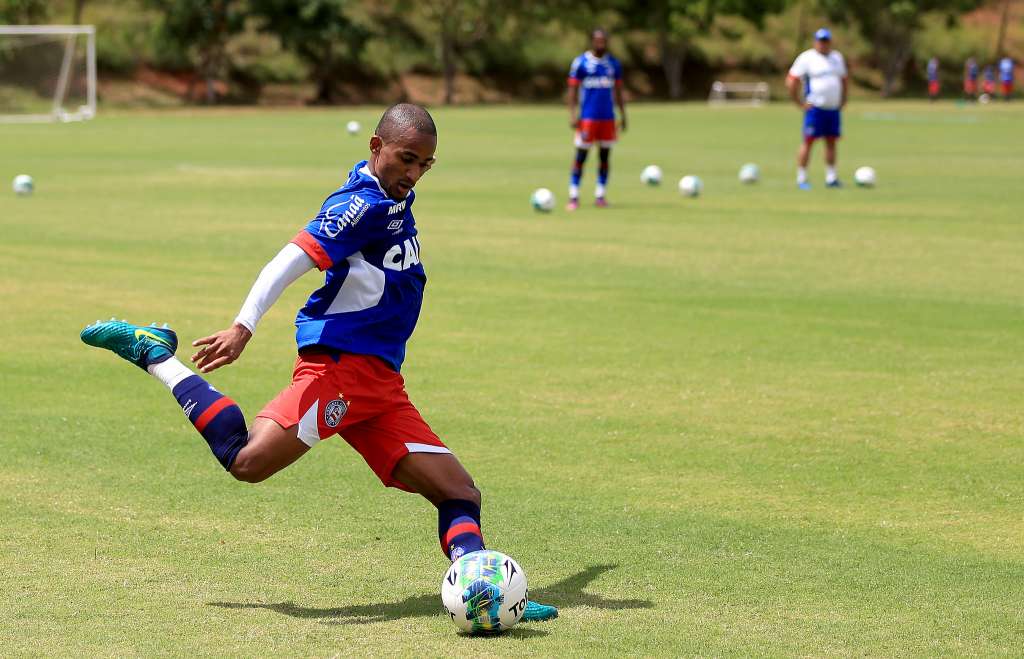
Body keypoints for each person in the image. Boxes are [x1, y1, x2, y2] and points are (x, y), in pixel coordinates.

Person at [80, 103, 558, 624]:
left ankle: (487, 591)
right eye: (406, 159)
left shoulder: (393, 193)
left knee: (459, 492)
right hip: (340, 371)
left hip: (381, 386)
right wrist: (243, 325)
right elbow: (289, 259)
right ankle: (155, 354)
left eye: (425, 164)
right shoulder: (360, 205)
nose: (415, 173)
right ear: (375, 147)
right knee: (246, 461)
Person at [566, 28, 627, 210]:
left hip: (608, 118)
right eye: (597, 40)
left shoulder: (613, 64)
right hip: (588, 118)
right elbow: (572, 90)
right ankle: (574, 195)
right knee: (581, 156)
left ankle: (600, 195)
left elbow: (618, 92)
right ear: (592, 41)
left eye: (604, 41)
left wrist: (623, 115)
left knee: (605, 157)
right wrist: (572, 114)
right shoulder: (581, 63)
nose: (601, 44)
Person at [786, 27, 848, 190]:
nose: (823, 44)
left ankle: (831, 177)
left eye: (826, 41)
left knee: (831, 142)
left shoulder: (837, 57)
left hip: (833, 109)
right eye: (820, 41)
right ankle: (802, 178)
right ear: (815, 42)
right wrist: (798, 102)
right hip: (815, 109)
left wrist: (843, 99)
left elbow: (843, 80)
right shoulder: (807, 58)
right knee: (808, 141)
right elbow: (791, 80)